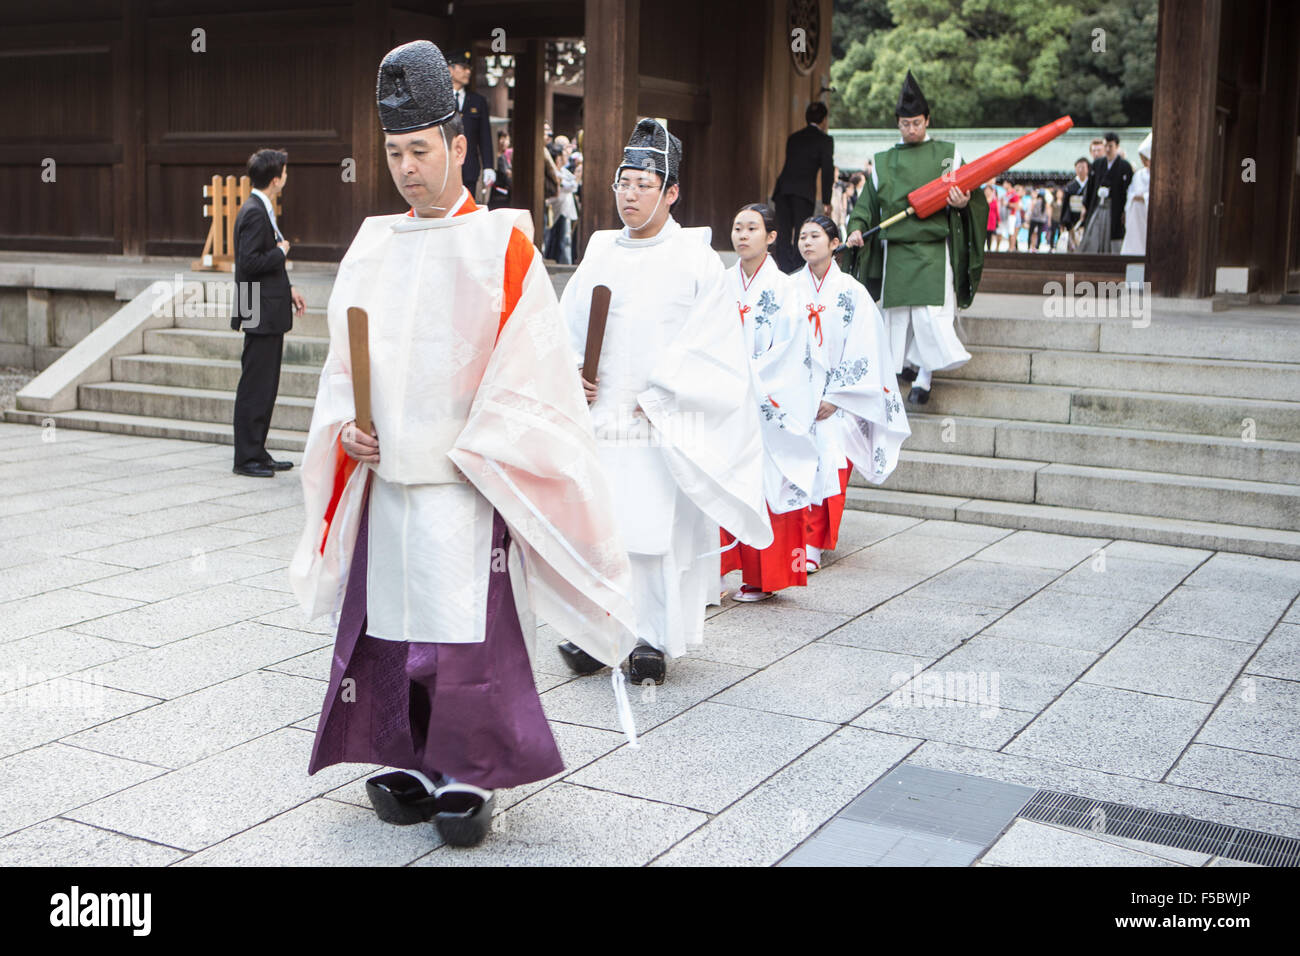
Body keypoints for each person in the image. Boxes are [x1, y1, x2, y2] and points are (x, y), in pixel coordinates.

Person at [288, 40, 638, 848]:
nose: (407, 168)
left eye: (420, 150)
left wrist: (485, 446)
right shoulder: (372, 243)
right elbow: (345, 369)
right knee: (389, 623)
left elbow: (532, 370)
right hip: (389, 478)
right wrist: (349, 430)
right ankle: (406, 754)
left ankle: (471, 771)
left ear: (457, 145)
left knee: (467, 628)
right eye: (394, 152)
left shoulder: (503, 243)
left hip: (466, 475)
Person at [556, 118, 772, 684]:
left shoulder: (696, 259)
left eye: (641, 185)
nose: (628, 195)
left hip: (660, 418)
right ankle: (596, 630)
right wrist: (568, 374)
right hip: (602, 416)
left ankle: (649, 637)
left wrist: (664, 393)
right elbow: (566, 326)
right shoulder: (600, 251)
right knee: (598, 527)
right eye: (622, 184)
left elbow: (716, 344)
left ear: (671, 191)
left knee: (651, 532)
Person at [843, 70, 987, 407]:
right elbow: (868, 203)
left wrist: (963, 203)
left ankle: (924, 376)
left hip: (934, 249)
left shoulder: (949, 154)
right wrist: (856, 228)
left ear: (927, 121)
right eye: (905, 124)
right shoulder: (884, 161)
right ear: (897, 124)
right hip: (897, 250)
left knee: (929, 316)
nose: (911, 129)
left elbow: (973, 195)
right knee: (896, 316)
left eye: (917, 123)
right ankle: (896, 373)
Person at [794, 216, 909, 571]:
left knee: (829, 461)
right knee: (792, 465)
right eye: (802, 236)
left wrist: (837, 395)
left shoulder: (852, 293)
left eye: (815, 236)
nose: (807, 242)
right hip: (795, 393)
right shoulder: (787, 288)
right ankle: (791, 540)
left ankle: (812, 544)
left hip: (836, 399)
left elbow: (864, 347)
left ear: (834, 243)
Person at [719, 203, 820, 601]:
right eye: (737, 227)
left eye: (752, 228)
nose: (742, 235)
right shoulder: (720, 282)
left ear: (772, 237)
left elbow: (791, 352)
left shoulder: (786, 290)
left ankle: (762, 576)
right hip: (724, 399)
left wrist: (749, 381)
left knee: (764, 483)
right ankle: (717, 569)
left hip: (766, 402)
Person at [231, 147, 306, 477]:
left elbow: (258, 262)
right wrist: (280, 251)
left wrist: (287, 289)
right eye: (285, 173)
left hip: (264, 304)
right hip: (257, 309)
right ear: (276, 179)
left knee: (264, 384)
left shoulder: (261, 209)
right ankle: (246, 457)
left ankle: (257, 452)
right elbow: (250, 262)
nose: (287, 178)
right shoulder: (254, 212)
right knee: (255, 385)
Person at [772, 102, 835, 272]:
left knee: (783, 233)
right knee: (802, 232)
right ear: (823, 121)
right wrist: (827, 201)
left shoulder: (793, 137)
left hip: (783, 189)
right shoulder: (825, 141)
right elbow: (827, 171)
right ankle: (797, 270)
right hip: (803, 192)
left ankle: (783, 270)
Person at [447, 49, 495, 199]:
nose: (468, 72)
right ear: (450, 69)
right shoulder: (440, 100)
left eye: (469, 68)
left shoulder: (478, 101)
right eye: (464, 68)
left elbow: (485, 136)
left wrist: (488, 166)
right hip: (445, 166)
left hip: (469, 167)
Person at [1079, 131, 1133, 253]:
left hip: (1114, 207)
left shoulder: (1125, 167)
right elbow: (1091, 187)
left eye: (1111, 146)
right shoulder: (1097, 164)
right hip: (1098, 205)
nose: (1108, 149)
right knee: (1093, 233)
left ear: (1117, 147)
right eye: (1106, 146)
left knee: (1113, 237)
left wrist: (1125, 210)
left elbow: (1128, 190)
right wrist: (1085, 206)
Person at [1121, 132, 1152, 255]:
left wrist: (1145, 197)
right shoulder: (1139, 174)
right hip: (1135, 211)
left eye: (1146, 158)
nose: (1144, 162)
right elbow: (1131, 191)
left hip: (1147, 211)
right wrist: (1134, 197)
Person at [1062, 157, 1089, 251]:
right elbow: (1065, 204)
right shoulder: (1070, 186)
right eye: (1078, 167)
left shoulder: (1090, 184)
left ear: (1088, 169)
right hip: (1072, 219)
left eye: (1083, 167)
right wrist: (1063, 221)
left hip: (1086, 218)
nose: (1080, 170)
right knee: (1073, 245)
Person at [487, 130, 512, 209]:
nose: (505, 142)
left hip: (499, 194)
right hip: (500, 195)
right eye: (503, 139)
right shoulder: (499, 158)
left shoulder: (502, 156)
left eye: (507, 139)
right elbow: (505, 174)